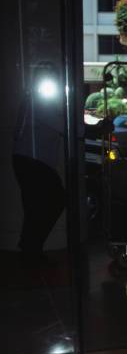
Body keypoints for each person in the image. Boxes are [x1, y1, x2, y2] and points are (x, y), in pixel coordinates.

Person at [12, 62, 66, 266]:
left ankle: (29, 249)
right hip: (33, 161)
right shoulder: (40, 102)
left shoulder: (30, 100)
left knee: (35, 207)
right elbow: (65, 126)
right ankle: (30, 248)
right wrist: (94, 130)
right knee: (55, 201)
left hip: (26, 160)